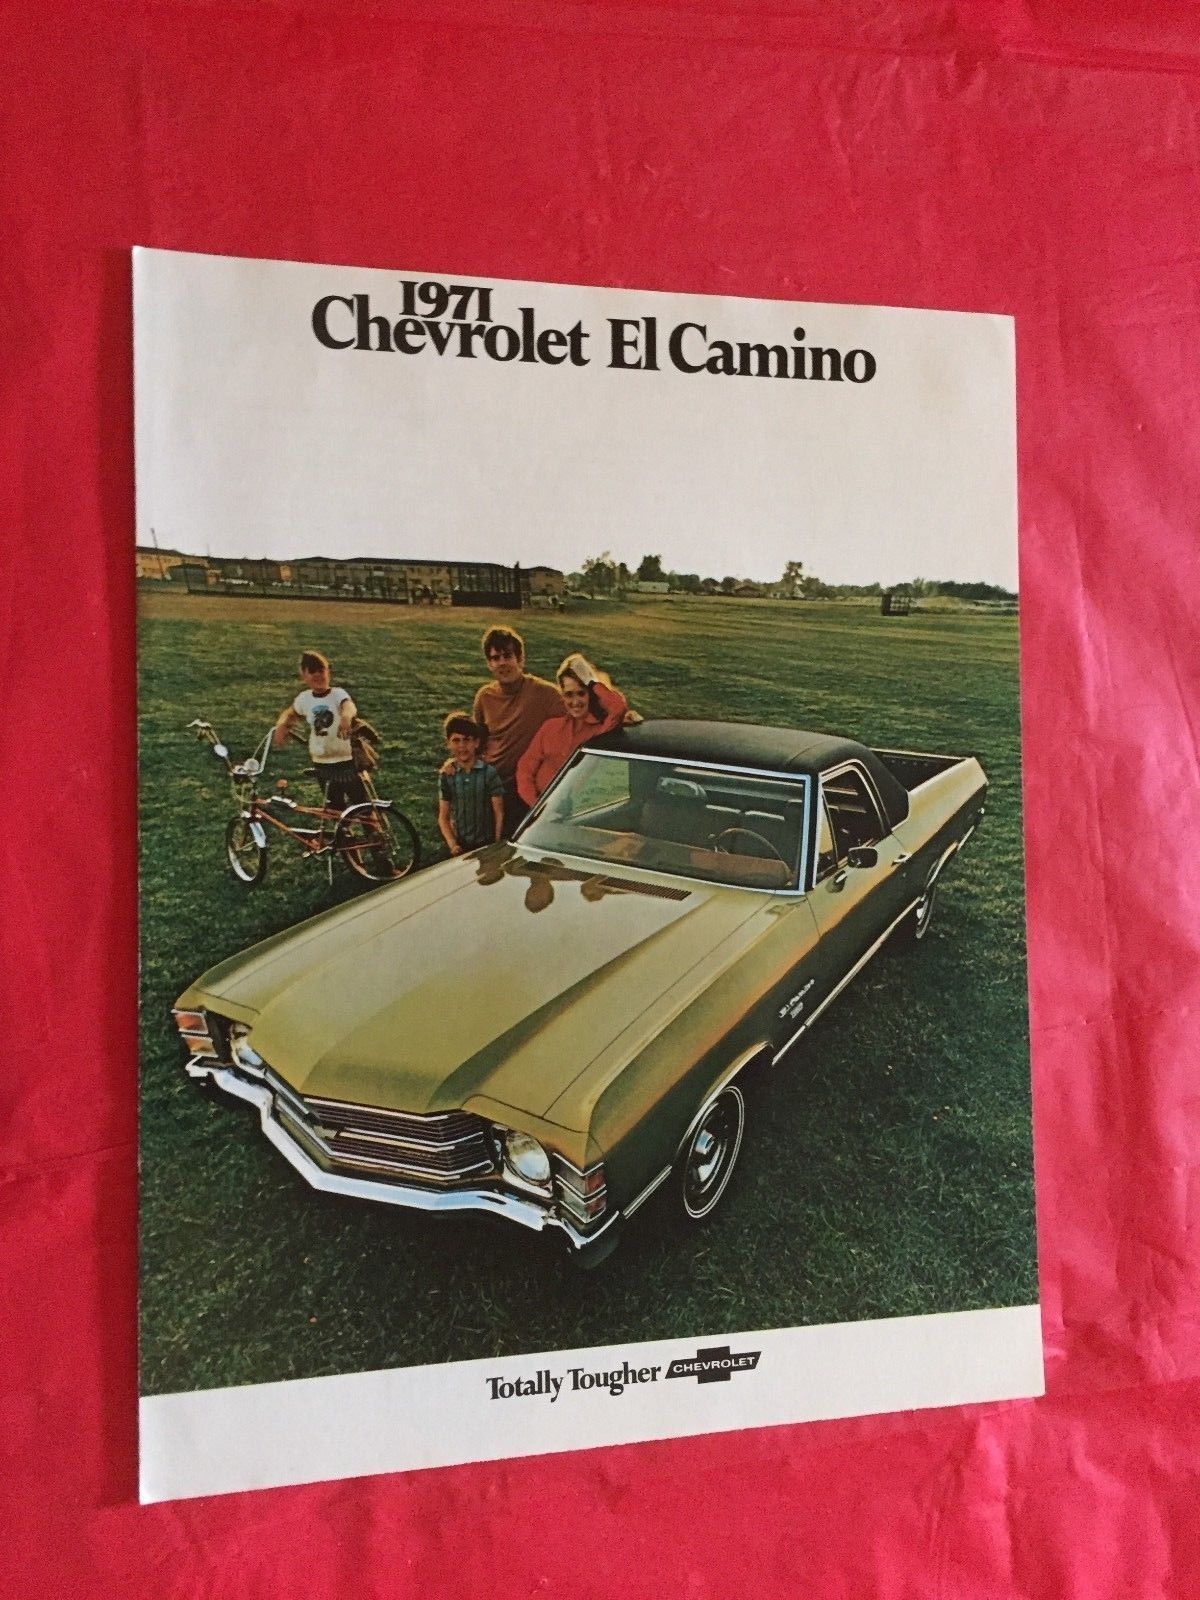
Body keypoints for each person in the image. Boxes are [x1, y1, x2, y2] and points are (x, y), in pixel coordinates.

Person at [469, 625, 565, 835]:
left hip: (525, 785)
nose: (502, 663)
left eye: (508, 656)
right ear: (489, 664)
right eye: (495, 658)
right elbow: (476, 742)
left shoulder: (545, 693)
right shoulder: (484, 697)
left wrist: (620, 715)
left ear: (520, 659)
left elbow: (579, 710)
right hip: (491, 784)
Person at [516, 652, 629, 807]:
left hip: (574, 809)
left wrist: (591, 681)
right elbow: (524, 769)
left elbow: (618, 708)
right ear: (562, 695)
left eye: (581, 693)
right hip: (536, 808)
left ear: (591, 694)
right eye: (569, 695)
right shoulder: (550, 727)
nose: (575, 702)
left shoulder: (600, 731)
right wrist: (536, 806)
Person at [273, 649, 367, 812]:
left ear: (328, 672)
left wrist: (346, 717)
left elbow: (349, 706)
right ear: (304, 675)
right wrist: (282, 725)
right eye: (312, 672)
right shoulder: (304, 698)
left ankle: (373, 826)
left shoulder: (337, 694)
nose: (317, 675)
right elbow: (290, 713)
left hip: (345, 760)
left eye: (321, 670)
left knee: (361, 803)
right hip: (321, 762)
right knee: (334, 806)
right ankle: (342, 828)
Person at [437, 712, 504, 855]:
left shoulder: (488, 773)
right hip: (460, 845)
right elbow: (443, 817)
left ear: (476, 742)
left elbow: (499, 813)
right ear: (448, 743)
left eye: (467, 740)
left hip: (486, 844)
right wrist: (452, 844)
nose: (462, 746)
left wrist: (497, 843)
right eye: (456, 740)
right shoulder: (447, 775)